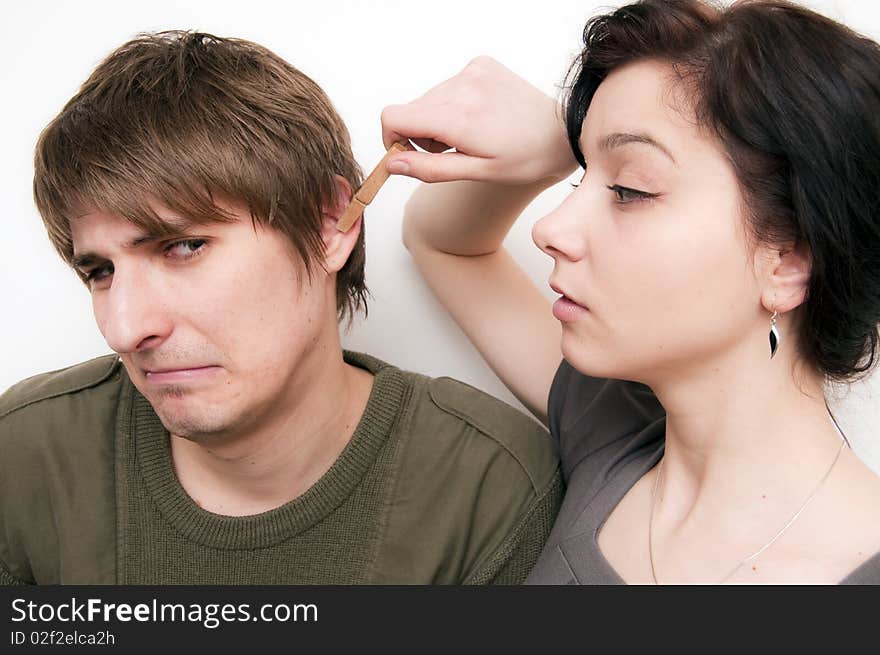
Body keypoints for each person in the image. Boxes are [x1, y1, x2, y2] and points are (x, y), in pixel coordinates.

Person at [0, 31, 563, 585]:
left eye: (183, 247)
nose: (125, 328)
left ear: (327, 226)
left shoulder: (488, 487)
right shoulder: (24, 452)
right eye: (100, 272)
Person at [382, 0, 880, 583]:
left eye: (629, 189)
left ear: (788, 261)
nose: (550, 229)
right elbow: (441, 241)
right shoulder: (614, 432)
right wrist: (566, 138)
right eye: (580, 178)